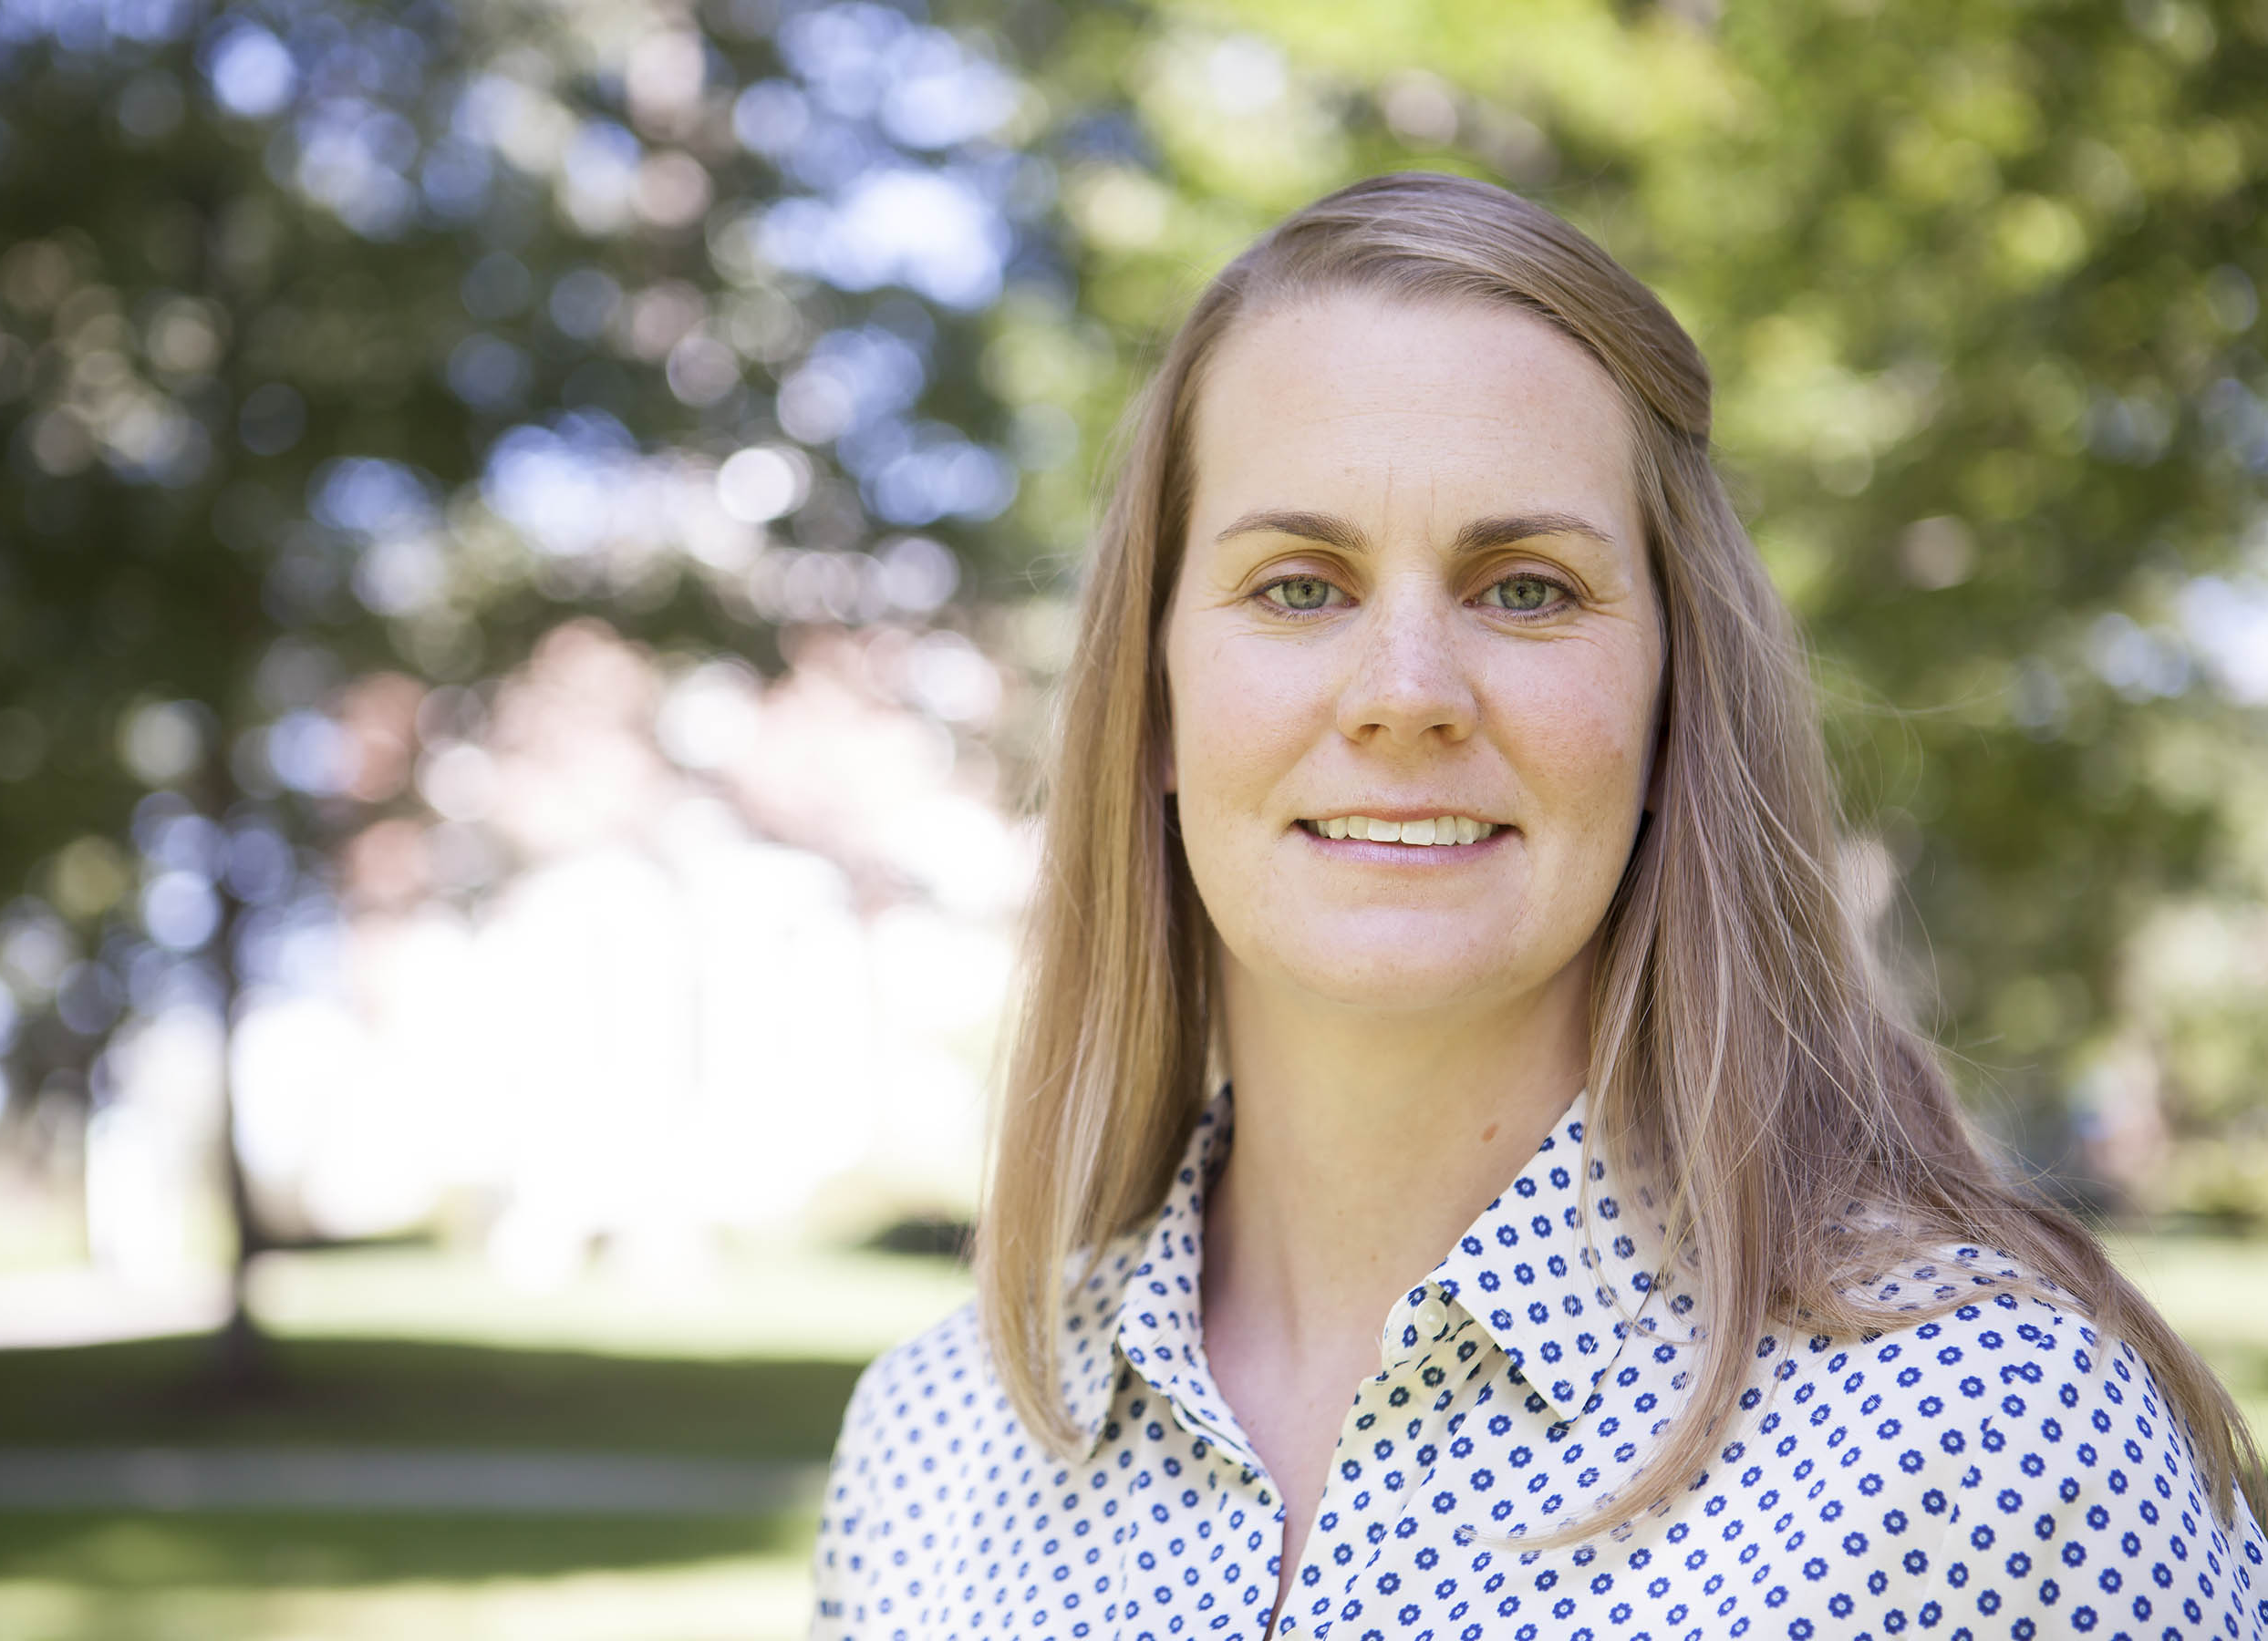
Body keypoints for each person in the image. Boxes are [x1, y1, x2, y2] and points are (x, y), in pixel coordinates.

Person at [809, 171, 2268, 1640]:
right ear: (1159, 705)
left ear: (1671, 704)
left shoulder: (1988, 1443)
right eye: (1300, 587)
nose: (1404, 697)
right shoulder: (935, 1452)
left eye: (1525, 590)